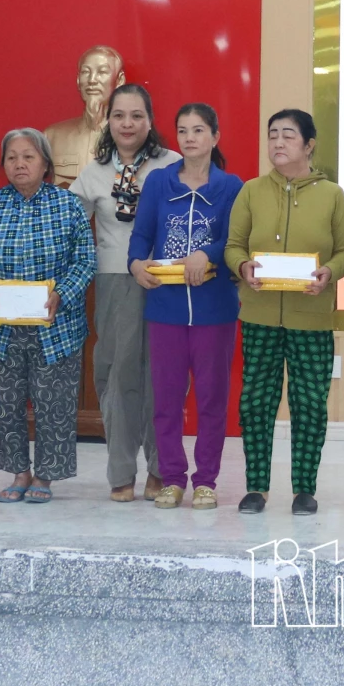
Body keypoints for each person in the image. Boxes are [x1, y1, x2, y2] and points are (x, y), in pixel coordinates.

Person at [224, 109, 344, 516]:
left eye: (288, 135)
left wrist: (329, 272)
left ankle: (304, 490)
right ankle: (256, 488)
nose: (278, 143)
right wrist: (242, 266)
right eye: (273, 135)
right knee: (255, 402)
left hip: (311, 317)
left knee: (310, 403)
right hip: (259, 315)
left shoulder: (332, 195)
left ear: (309, 145)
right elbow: (233, 246)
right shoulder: (251, 191)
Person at [0, 128, 96, 504]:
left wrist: (62, 294)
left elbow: (85, 259)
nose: (19, 164)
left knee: (53, 404)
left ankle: (45, 475)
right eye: (12, 158)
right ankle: (19, 472)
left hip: (56, 325)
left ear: (45, 164)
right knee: (9, 404)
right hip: (5, 328)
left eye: (28, 157)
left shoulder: (67, 205)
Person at [71, 84, 181, 502]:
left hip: (167, 283)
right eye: (119, 115)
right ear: (108, 121)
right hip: (115, 282)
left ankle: (161, 469)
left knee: (162, 377)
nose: (127, 124)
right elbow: (70, 226)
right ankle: (120, 472)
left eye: (137, 115)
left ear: (150, 120)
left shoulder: (173, 165)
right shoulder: (94, 172)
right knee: (117, 375)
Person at [129, 103, 242, 511]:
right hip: (166, 309)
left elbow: (235, 241)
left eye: (198, 130)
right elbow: (141, 235)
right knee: (166, 401)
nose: (190, 138)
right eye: (182, 130)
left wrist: (206, 254)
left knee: (212, 400)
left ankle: (206, 480)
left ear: (215, 136)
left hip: (215, 310)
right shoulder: (159, 182)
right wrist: (135, 264)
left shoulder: (232, 187)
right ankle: (173, 479)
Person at [46, 45, 126, 186]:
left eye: (102, 72)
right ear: (78, 81)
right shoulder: (51, 137)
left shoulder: (133, 138)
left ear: (119, 80)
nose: (92, 80)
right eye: (85, 72)